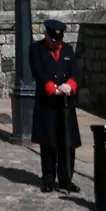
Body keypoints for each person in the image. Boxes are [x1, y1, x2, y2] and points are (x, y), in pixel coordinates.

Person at [31, 19, 81, 192]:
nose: (56, 42)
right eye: (53, 39)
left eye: (58, 40)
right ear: (47, 35)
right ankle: (48, 179)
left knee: (67, 143)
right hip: (48, 103)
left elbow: (76, 71)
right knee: (49, 143)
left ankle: (66, 179)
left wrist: (71, 85)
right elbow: (39, 72)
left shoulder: (68, 50)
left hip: (66, 104)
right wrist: (53, 89)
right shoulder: (36, 49)